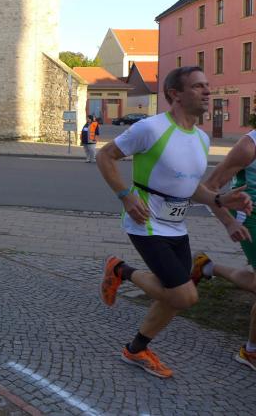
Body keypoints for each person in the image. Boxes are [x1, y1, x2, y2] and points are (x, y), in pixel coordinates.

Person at [96, 66, 252, 378]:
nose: (207, 91)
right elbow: (105, 156)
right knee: (185, 295)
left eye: (207, 85)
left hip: (177, 226)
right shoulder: (151, 128)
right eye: (198, 86)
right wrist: (126, 196)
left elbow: (190, 188)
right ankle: (120, 270)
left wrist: (220, 200)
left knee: (175, 296)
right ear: (175, 94)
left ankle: (136, 349)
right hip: (146, 223)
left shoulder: (201, 139)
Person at [192, 128, 256, 371]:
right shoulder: (249, 146)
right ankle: (251, 351)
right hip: (252, 218)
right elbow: (210, 186)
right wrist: (230, 223)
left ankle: (207, 267)